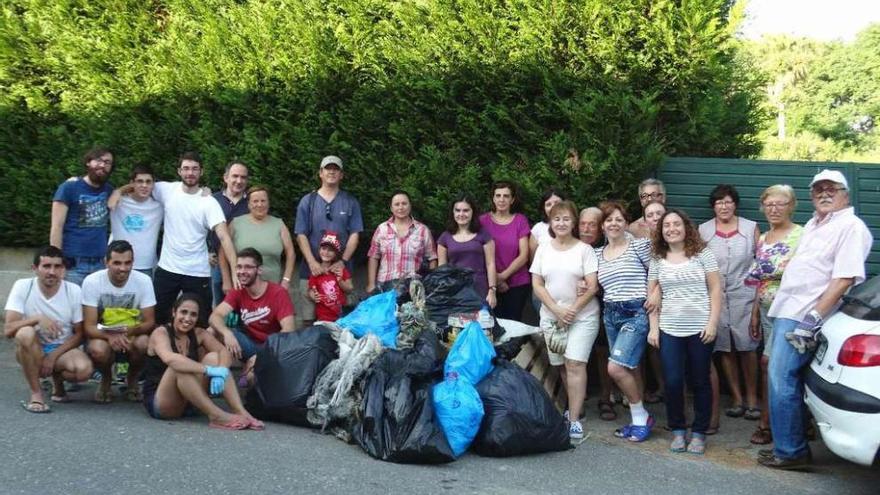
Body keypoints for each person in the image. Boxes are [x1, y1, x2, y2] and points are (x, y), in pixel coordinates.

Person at [759, 170, 873, 470]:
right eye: (818, 189)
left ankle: (791, 451)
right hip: (788, 309)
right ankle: (790, 444)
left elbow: (844, 278)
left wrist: (813, 318)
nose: (824, 193)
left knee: (781, 379)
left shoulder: (851, 226)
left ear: (845, 193)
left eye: (831, 189)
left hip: (803, 315)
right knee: (784, 378)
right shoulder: (815, 222)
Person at [647, 209, 721, 455]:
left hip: (700, 329)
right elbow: (652, 298)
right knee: (673, 381)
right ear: (661, 231)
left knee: (700, 381)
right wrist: (654, 329)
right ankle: (678, 430)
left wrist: (712, 323)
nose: (671, 229)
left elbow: (715, 291)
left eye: (676, 224)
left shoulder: (703, 254)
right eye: (666, 225)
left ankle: (699, 433)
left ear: (686, 227)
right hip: (670, 329)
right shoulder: (657, 258)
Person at [531, 200, 600, 440]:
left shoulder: (584, 250)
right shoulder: (543, 248)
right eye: (556, 219)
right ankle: (572, 406)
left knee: (575, 364)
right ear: (551, 222)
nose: (561, 223)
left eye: (566, 219)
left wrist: (571, 311)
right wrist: (555, 310)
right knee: (561, 366)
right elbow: (537, 284)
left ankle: (574, 420)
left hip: (582, 317)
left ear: (574, 223)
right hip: (552, 318)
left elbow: (592, 287)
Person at [143, 293, 263, 430]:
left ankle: (241, 412)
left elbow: (223, 351)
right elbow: (170, 359)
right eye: (183, 312)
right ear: (174, 312)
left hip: (189, 401)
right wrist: (208, 370)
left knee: (213, 357)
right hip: (163, 403)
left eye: (193, 315)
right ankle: (216, 415)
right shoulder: (161, 333)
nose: (187, 318)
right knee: (178, 367)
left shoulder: (199, 333)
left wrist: (222, 370)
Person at [151, 151, 239, 327]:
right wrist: (118, 193)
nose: (190, 173)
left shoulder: (209, 201)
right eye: (186, 168)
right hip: (168, 268)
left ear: (201, 172)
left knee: (200, 322)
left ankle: (199, 354)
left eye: (194, 169)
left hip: (197, 271)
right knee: (159, 319)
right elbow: (139, 185)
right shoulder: (166, 190)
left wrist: (235, 269)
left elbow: (224, 236)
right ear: (179, 171)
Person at [744, 185, 803, 446]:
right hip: (767, 311)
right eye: (769, 204)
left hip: (791, 311)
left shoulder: (802, 235)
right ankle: (798, 423)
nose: (774, 209)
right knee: (779, 368)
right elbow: (760, 280)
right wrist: (755, 312)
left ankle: (767, 424)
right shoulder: (763, 238)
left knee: (770, 365)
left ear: (791, 205)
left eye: (780, 203)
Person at [4, 246, 93, 412]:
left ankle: (57, 382)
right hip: (33, 348)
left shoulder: (73, 290)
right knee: (25, 333)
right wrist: (37, 319)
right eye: (46, 266)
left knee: (83, 371)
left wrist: (52, 357)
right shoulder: (23, 286)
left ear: (64, 269)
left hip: (61, 349)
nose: (52, 272)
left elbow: (80, 334)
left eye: (57, 266)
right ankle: (36, 395)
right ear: (35, 269)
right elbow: (8, 329)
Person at [699, 185, 761, 424]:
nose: (723, 207)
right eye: (718, 203)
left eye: (727, 202)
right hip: (716, 298)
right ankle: (736, 399)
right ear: (713, 206)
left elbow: (761, 265)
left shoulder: (750, 227)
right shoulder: (703, 230)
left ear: (735, 204)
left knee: (747, 347)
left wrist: (756, 307)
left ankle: (753, 400)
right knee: (724, 348)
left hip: (745, 294)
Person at [595, 201, 654, 441]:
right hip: (610, 313)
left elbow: (657, 273)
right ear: (602, 226)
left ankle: (642, 417)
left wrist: (655, 296)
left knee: (615, 367)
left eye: (619, 219)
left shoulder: (639, 246)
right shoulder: (597, 254)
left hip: (636, 312)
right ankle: (636, 419)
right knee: (631, 367)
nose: (614, 223)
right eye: (609, 220)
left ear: (626, 224)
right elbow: (592, 283)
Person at [81, 240, 156, 403]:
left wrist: (128, 332)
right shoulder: (92, 281)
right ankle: (107, 378)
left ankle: (132, 378)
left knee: (145, 343)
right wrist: (110, 336)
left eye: (127, 263)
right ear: (106, 262)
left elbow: (150, 322)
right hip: (103, 333)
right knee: (98, 349)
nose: (123, 268)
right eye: (117, 263)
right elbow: (88, 327)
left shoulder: (144, 281)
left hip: (132, 331)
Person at [209, 248, 296, 388]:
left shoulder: (278, 293)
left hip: (273, 349)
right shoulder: (238, 290)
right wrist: (227, 333)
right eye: (239, 267)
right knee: (211, 331)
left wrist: (261, 357)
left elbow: (289, 331)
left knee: (250, 380)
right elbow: (215, 316)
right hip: (249, 345)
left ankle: (248, 372)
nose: (242, 271)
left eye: (248, 267)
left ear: (259, 270)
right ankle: (210, 374)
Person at [294, 155, 363, 326]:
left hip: (339, 271)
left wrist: (343, 261)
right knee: (308, 320)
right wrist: (311, 262)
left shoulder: (350, 201)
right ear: (320, 173)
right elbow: (300, 234)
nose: (331, 171)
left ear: (341, 175)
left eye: (336, 169)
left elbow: (355, 234)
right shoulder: (308, 201)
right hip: (311, 270)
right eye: (327, 168)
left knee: (340, 319)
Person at [50, 147, 114, 285]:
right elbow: (56, 227)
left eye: (107, 162)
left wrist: (120, 191)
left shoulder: (109, 190)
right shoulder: (68, 188)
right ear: (88, 162)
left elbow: (133, 188)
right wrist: (56, 263)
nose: (103, 165)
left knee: (96, 307)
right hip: (73, 264)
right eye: (98, 160)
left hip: (100, 264)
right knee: (72, 306)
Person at [579, 206, 617, 421]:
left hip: (604, 307)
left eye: (591, 224)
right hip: (576, 309)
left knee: (604, 352)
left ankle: (606, 396)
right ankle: (576, 395)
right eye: (582, 224)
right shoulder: (573, 247)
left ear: (601, 227)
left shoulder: (608, 248)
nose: (586, 229)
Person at [220, 185, 295, 291]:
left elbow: (291, 253)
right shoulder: (236, 223)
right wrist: (227, 280)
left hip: (273, 286)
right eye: (255, 201)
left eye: (263, 201)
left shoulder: (279, 224)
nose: (259, 204)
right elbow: (223, 253)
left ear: (268, 203)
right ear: (249, 204)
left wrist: (286, 280)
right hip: (241, 287)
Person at [366, 190, 438, 294]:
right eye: (397, 204)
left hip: (413, 286)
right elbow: (373, 256)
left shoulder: (422, 230)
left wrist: (431, 283)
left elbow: (432, 258)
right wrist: (371, 284)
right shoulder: (382, 229)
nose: (401, 207)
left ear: (410, 206)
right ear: (391, 208)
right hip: (384, 286)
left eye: (404, 203)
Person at [480, 181, 531, 321]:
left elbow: (524, 255)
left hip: (517, 283)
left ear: (512, 199)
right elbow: (479, 253)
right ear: (493, 198)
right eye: (498, 195)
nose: (501, 199)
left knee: (513, 325)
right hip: (489, 283)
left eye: (506, 196)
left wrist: (502, 277)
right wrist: (496, 279)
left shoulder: (520, 220)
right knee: (490, 325)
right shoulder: (482, 221)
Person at [437, 195, 497, 307]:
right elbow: (442, 268)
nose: (461, 214)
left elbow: (490, 264)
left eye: (466, 210)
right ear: (453, 213)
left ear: (472, 212)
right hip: (454, 290)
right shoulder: (445, 237)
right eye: (457, 210)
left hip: (479, 288)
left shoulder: (484, 235)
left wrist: (492, 290)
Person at [108, 165, 163, 278]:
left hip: (146, 266)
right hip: (117, 263)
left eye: (148, 182)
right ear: (132, 183)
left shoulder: (159, 207)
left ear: (153, 184)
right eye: (139, 181)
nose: (144, 185)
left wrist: (205, 191)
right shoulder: (118, 201)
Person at [210, 161, 250, 306]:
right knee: (218, 305)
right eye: (235, 176)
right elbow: (200, 230)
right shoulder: (213, 201)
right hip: (216, 264)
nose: (239, 181)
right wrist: (206, 252)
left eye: (243, 177)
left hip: (245, 264)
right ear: (225, 177)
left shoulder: (252, 203)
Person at [308, 232, 354, 322]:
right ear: (319, 250)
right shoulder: (316, 271)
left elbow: (350, 289)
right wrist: (313, 296)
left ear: (336, 253)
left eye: (330, 250)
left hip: (342, 317)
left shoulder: (341, 269)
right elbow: (310, 289)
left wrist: (340, 281)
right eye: (324, 248)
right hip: (323, 317)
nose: (326, 252)